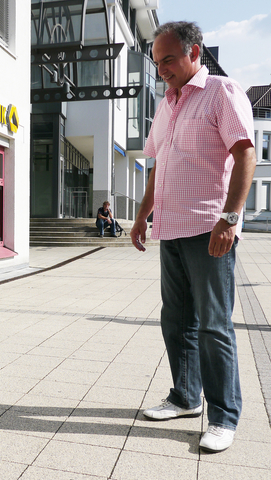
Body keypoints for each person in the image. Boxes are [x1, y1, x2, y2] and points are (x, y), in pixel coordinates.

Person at [130, 22, 256, 452]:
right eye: (156, 61)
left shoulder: (221, 91)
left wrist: (231, 217)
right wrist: (141, 216)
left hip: (209, 230)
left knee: (214, 326)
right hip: (171, 229)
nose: (161, 68)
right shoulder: (166, 104)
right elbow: (158, 167)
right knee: (176, 321)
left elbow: (245, 153)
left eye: (168, 59)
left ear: (194, 53)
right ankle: (185, 397)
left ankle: (224, 416)